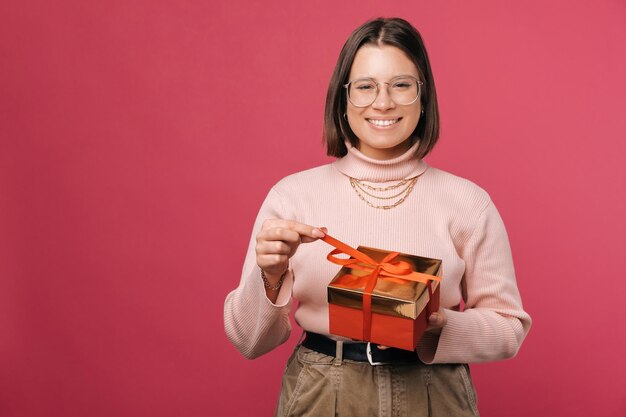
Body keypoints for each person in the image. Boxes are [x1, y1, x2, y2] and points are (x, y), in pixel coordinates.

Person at [224, 17, 531, 417]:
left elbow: (510, 328)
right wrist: (270, 276)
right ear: (343, 98)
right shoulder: (292, 197)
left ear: (423, 97)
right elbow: (249, 342)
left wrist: (437, 328)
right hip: (323, 388)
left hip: (433, 390)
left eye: (401, 85)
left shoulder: (467, 202)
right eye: (366, 87)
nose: (383, 102)